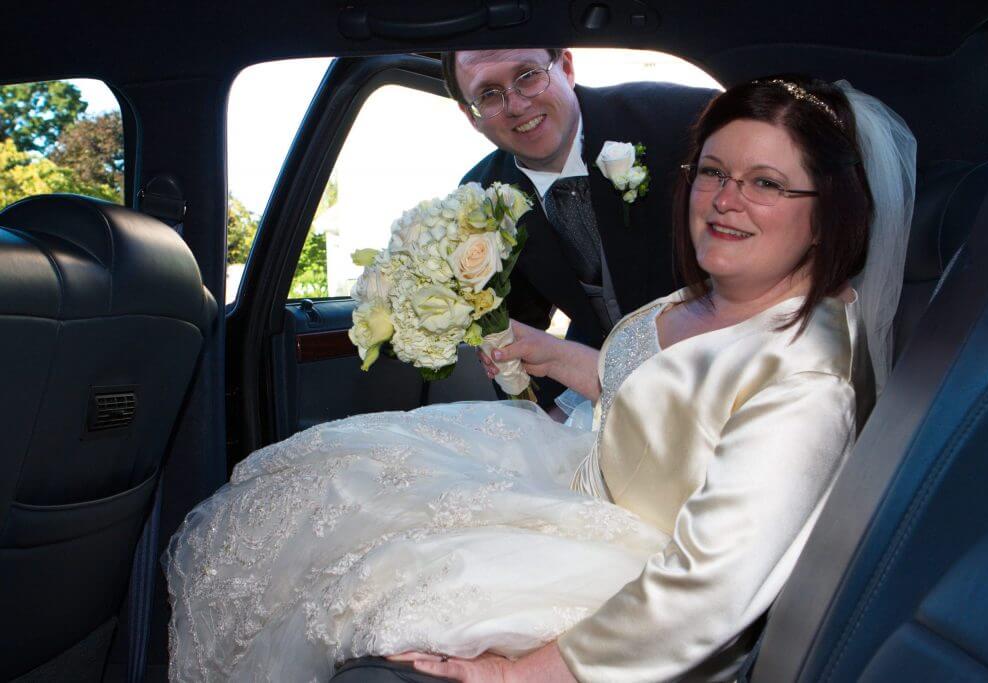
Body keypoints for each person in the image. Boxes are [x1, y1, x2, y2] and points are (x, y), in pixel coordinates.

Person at [164, 76, 916, 682]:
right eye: (714, 172)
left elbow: (710, 585)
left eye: (766, 184)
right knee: (317, 484)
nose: (724, 200)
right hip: (582, 485)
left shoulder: (807, 382)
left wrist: (524, 673)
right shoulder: (706, 299)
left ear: (826, 217)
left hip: (639, 573)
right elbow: (663, 406)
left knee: (368, 579)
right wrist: (553, 355)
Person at [446, 49, 716, 407]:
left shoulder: (681, 119)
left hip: (720, 369)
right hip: (596, 390)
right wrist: (538, 417)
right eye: (489, 94)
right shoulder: (481, 200)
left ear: (567, 68)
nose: (516, 104)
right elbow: (510, 330)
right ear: (471, 115)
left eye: (528, 76)